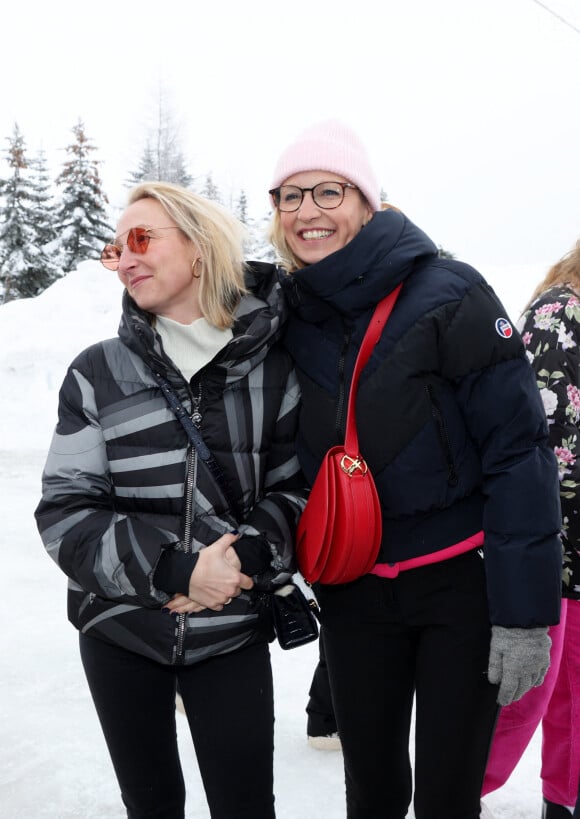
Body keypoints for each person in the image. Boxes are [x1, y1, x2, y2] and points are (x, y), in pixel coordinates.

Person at [267, 119, 563, 819]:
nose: (308, 211)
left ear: (368, 202)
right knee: (370, 792)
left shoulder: (449, 292)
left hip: (458, 591)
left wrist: (526, 615)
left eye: (328, 191)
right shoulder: (283, 310)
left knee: (447, 797)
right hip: (352, 591)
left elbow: (520, 453)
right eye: (289, 196)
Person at [35, 181, 307, 819]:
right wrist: (175, 570)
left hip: (230, 635)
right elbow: (65, 509)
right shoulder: (98, 373)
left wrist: (236, 563)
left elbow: (298, 491)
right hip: (120, 629)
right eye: (115, 247)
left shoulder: (274, 368)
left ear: (200, 247)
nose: (124, 259)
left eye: (141, 238)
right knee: (150, 805)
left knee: (246, 807)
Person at [480, 241, 580, 819]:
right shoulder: (557, 315)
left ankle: (563, 801)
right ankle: (454, 789)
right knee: (525, 696)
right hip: (548, 541)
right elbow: (532, 440)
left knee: (574, 694)